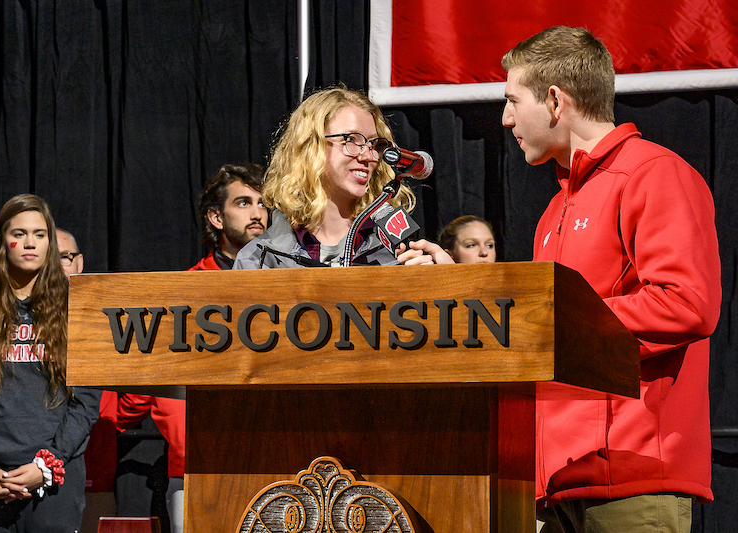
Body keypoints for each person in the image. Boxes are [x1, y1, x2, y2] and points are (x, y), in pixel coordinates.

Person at [401, 25, 721, 532]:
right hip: (551, 481)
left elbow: (686, 304)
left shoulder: (654, 174)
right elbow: (539, 325)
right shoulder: (555, 209)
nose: (505, 119)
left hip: (630, 480)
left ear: (554, 101)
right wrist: (469, 294)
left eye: (512, 100)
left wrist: (543, 314)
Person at [117, 163, 268, 533]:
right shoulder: (184, 290)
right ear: (216, 217)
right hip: (193, 471)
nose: (258, 213)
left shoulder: (286, 284)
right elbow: (156, 384)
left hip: (271, 464)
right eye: (244, 203)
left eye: (264, 204)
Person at [0, 194, 101, 532]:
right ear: (2, 242)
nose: (30, 243)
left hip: (55, 479)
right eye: (20, 233)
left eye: (40, 234)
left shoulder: (78, 313)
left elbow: (85, 403)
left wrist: (45, 465)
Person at [233, 86, 414, 270]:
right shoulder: (258, 260)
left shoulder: (395, 251)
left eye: (373, 144)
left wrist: (440, 280)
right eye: (351, 139)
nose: (368, 156)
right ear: (311, 146)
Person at [56, 228, 119, 533]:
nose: (56, 266)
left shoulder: (102, 314)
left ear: (79, 263)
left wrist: (114, 417)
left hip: (94, 454)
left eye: (65, 258)